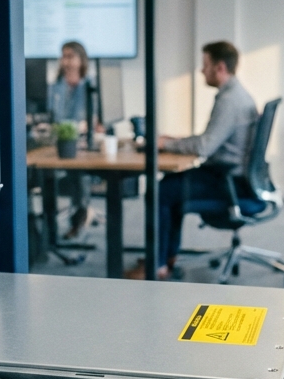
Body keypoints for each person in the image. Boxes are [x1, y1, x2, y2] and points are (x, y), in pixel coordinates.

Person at [126, 40, 259, 280]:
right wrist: (174, 140)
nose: (201, 70)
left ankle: (157, 265)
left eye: (205, 65)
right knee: (169, 187)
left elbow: (205, 146)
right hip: (230, 175)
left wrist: (164, 144)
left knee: (160, 192)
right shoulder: (236, 94)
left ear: (220, 67)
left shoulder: (230, 100)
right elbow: (210, 139)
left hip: (228, 181)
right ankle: (166, 257)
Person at [47, 41, 97, 238]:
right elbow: (52, 115)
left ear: (81, 60)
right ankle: (52, 228)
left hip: (82, 143)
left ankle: (80, 214)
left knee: (79, 171)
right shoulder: (56, 86)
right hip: (58, 141)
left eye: (70, 57)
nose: (66, 62)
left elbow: (94, 119)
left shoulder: (90, 86)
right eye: (63, 56)